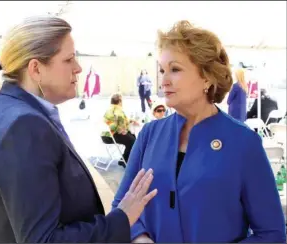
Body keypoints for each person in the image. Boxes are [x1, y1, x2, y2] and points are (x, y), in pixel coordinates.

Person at [0, 16, 157, 243]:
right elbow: (44, 240)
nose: (78, 68)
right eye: (69, 59)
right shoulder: (24, 126)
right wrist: (122, 218)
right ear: (36, 68)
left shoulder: (4, 109)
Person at [112, 20, 286, 243]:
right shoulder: (149, 135)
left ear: (207, 76)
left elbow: (272, 234)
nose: (163, 80)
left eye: (175, 69)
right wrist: (140, 238)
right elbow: (120, 206)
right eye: (162, 70)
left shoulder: (244, 142)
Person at [101, 94, 138, 168]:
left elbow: (117, 121)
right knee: (132, 140)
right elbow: (121, 121)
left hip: (105, 136)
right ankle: (124, 160)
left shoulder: (110, 108)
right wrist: (124, 129)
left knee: (132, 137)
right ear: (120, 101)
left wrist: (129, 122)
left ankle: (124, 159)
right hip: (111, 135)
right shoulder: (118, 110)